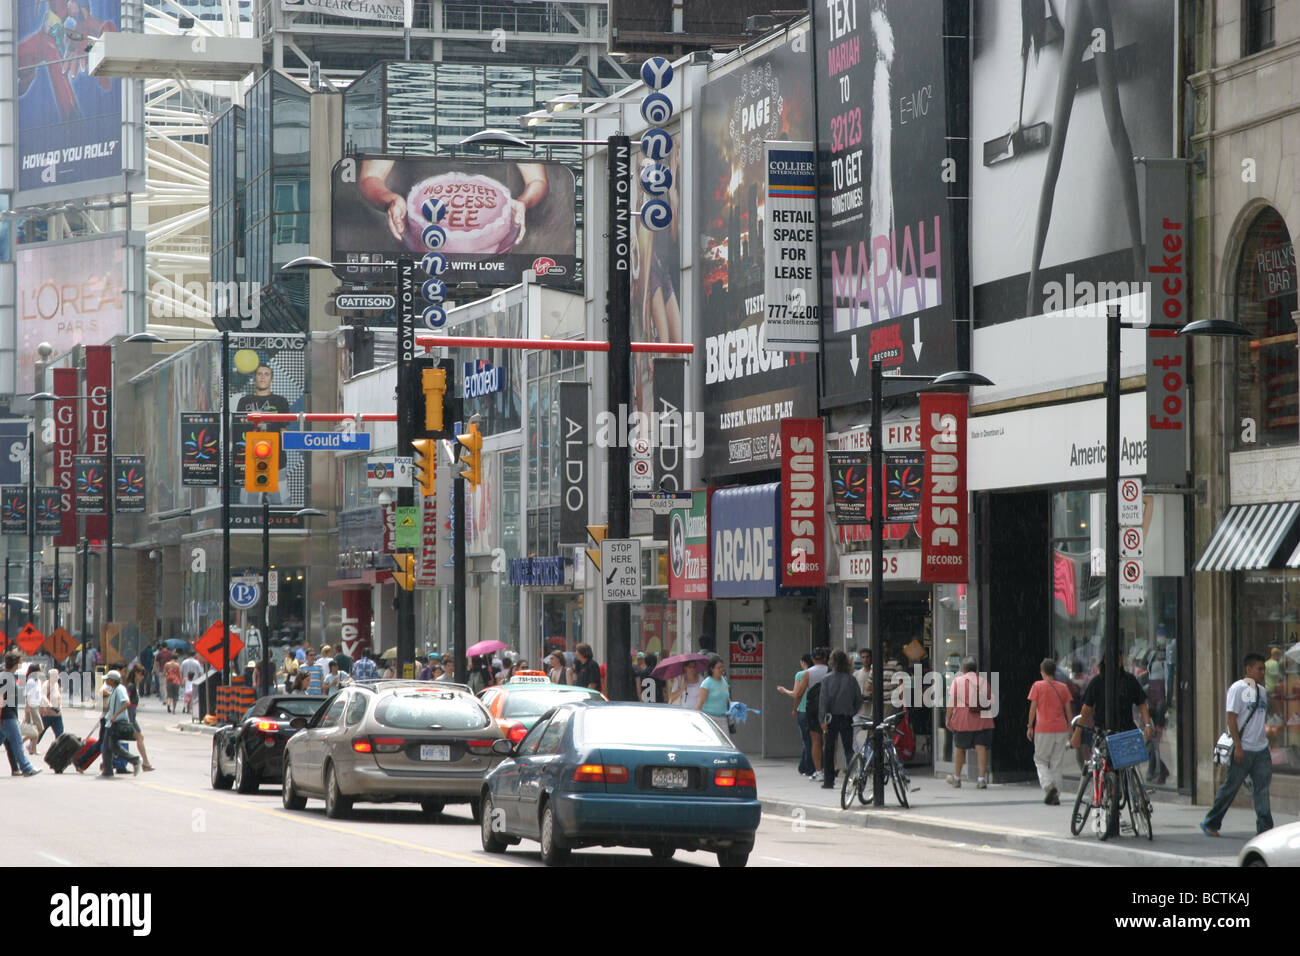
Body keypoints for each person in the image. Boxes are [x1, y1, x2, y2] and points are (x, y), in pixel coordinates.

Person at [1201, 654, 1274, 837]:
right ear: (1248, 669)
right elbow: (1231, 718)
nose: (1263, 672)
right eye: (1259, 668)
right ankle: (1211, 822)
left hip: (1261, 749)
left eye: (1264, 668)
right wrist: (1239, 746)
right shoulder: (1237, 688)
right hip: (1244, 749)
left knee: (1262, 790)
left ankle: (1265, 829)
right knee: (1231, 787)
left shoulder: (1262, 691)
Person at [1027, 657, 1073, 805]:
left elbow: (1033, 708)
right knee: (1056, 762)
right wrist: (1070, 727)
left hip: (1043, 728)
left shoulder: (1037, 686)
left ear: (1042, 672)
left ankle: (1049, 786)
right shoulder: (1063, 687)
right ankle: (1056, 795)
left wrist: (1030, 726)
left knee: (1040, 760)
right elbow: (1068, 710)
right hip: (1061, 728)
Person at [946, 658, 995, 789]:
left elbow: (951, 702)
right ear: (975, 669)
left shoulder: (958, 681)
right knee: (981, 747)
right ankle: (981, 779)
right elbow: (990, 701)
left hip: (963, 720)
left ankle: (956, 778)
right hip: (982, 720)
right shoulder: (984, 682)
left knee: (960, 748)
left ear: (963, 669)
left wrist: (948, 718)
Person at [818, 650, 863, 789]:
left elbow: (823, 701)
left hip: (831, 717)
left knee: (829, 749)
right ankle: (854, 777)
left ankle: (828, 781)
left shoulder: (827, 679)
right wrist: (851, 711)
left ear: (832, 662)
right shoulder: (851, 679)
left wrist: (822, 720)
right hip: (846, 717)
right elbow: (858, 700)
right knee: (849, 749)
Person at [0, 651, 40, 776]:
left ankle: (24, 767)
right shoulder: (5, 677)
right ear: (15, 663)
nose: (21, 665)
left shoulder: (9, 676)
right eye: (20, 662)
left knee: (10, 741)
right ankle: (27, 768)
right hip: (7, 716)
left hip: (8, 716)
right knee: (17, 742)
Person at [778, 653, 816, 777]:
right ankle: (807, 766)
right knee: (815, 740)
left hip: (802, 710)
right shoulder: (816, 674)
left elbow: (796, 694)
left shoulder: (801, 675)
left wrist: (784, 690)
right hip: (815, 711)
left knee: (806, 740)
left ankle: (807, 766)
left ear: (803, 662)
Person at [100, 670, 141, 777]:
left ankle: (135, 760)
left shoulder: (120, 689)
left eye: (108, 679)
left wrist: (115, 715)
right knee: (108, 747)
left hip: (116, 722)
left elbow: (127, 702)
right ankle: (108, 770)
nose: (106, 681)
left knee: (111, 747)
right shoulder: (115, 689)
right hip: (110, 722)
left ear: (113, 680)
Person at [126, 665, 155, 771]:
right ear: (137, 673)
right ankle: (145, 763)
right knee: (139, 737)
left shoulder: (133, 685)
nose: (142, 678)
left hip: (132, 717)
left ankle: (145, 763)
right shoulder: (131, 686)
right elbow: (125, 701)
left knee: (140, 737)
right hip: (130, 718)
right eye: (142, 675)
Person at [696, 656, 732, 735]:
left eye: (722, 667)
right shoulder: (707, 683)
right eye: (718, 668)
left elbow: (726, 695)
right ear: (712, 669)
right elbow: (700, 704)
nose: (721, 670)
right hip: (710, 719)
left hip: (723, 718)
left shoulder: (724, 680)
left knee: (725, 744)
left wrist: (733, 705)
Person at [34, 666, 65, 749]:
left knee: (60, 734)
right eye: (56, 675)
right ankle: (32, 746)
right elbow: (43, 696)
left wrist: (60, 707)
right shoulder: (46, 684)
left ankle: (58, 749)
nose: (58, 677)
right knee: (41, 732)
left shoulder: (57, 684)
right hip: (47, 714)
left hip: (57, 715)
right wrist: (49, 705)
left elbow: (59, 697)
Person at [23, 665, 44, 755]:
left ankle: (31, 747)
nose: (41, 671)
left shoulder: (38, 681)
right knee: (39, 728)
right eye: (40, 669)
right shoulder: (31, 681)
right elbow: (28, 695)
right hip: (32, 707)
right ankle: (30, 747)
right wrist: (28, 707)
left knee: (36, 729)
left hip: (36, 706)